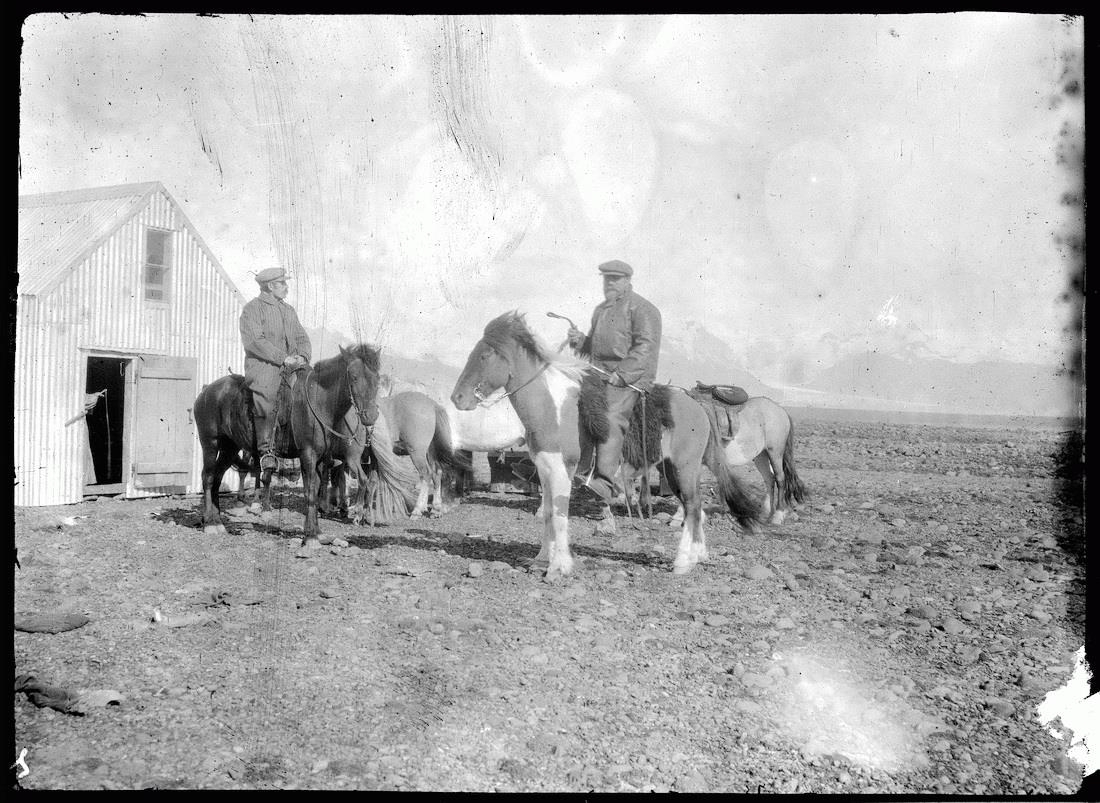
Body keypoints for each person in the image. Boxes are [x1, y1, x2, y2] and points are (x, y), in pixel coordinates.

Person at [567, 259, 662, 503]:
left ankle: (604, 482)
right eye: (606, 278)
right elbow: (595, 350)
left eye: (615, 279)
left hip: (631, 378)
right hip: (600, 375)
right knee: (569, 405)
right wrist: (581, 342)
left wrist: (622, 374)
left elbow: (645, 348)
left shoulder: (643, 309)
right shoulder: (601, 309)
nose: (609, 283)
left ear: (628, 280)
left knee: (609, 416)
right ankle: (577, 472)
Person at [239, 267, 312, 471]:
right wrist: (283, 358)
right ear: (271, 286)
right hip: (265, 367)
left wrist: (302, 355)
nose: (286, 287)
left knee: (313, 390)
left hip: (292, 367)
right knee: (268, 395)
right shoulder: (252, 309)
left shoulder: (289, 310)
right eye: (283, 283)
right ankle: (266, 451)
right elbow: (255, 341)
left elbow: (302, 337)